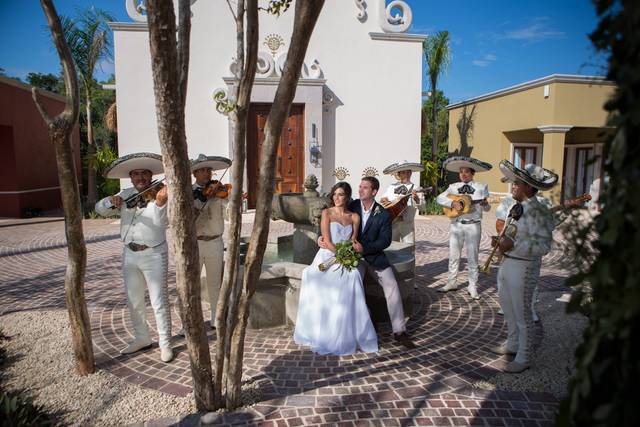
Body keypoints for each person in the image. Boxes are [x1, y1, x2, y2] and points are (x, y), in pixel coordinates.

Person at [95, 153, 174, 363]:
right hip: (129, 254)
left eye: (144, 174)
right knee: (134, 300)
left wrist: (158, 204)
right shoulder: (126, 193)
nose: (140, 178)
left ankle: (165, 344)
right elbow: (99, 210)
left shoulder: (160, 194)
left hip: (154, 253)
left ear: (151, 176)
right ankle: (141, 338)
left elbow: (161, 223)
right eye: (136, 174)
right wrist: (109, 201)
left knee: (158, 301)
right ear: (131, 177)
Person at [320, 177, 416, 349]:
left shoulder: (383, 214)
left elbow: (385, 241)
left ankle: (399, 331)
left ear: (374, 192)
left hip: (372, 257)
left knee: (392, 285)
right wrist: (321, 238)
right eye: (360, 186)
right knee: (352, 281)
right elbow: (333, 217)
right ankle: (361, 325)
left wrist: (364, 248)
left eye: (365, 187)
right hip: (349, 258)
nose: (361, 189)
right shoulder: (353, 205)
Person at [294, 182, 378, 355]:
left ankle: (350, 332)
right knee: (314, 275)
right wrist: (341, 256)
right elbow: (327, 240)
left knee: (353, 276)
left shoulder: (354, 217)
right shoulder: (327, 213)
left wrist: (349, 255)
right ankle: (322, 331)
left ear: (347, 196)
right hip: (327, 255)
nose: (336, 198)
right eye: (334, 194)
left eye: (340, 194)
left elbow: (353, 240)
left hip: (344, 258)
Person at [491, 160, 556, 373]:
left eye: (517, 183)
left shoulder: (540, 211)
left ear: (529, 186)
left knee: (523, 314)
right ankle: (512, 343)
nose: (513, 186)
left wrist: (514, 245)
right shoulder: (514, 206)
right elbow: (511, 232)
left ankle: (524, 356)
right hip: (507, 263)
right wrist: (501, 241)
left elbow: (544, 245)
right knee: (508, 309)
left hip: (524, 267)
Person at [179, 154, 231, 335]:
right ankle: (189, 323)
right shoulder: (186, 192)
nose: (206, 174)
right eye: (202, 170)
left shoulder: (219, 190)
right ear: (194, 173)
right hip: (195, 243)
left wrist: (229, 201)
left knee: (215, 283)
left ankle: (217, 319)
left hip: (215, 241)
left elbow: (229, 216)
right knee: (190, 284)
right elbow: (183, 220)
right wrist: (196, 205)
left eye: (208, 170)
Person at [436, 156, 492, 299]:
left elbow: (487, 208)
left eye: (466, 171)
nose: (463, 174)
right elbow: (439, 198)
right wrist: (452, 204)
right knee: (454, 255)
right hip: (456, 225)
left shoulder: (481, 187)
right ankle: (451, 282)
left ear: (473, 173)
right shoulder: (453, 187)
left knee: (473, 257)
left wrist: (485, 204)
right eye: (461, 172)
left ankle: (472, 286)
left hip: (473, 226)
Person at [380, 161, 425, 244]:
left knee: (408, 249)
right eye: (404, 172)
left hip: (407, 224)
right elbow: (383, 199)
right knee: (391, 248)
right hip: (393, 221)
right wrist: (384, 200)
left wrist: (417, 199)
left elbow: (423, 207)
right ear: (399, 174)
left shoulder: (416, 188)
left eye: (408, 172)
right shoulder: (392, 187)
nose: (407, 174)